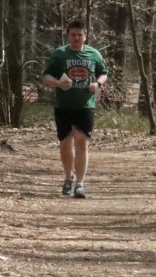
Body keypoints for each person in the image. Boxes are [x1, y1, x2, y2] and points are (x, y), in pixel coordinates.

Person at [41, 19, 109, 199]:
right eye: (73, 35)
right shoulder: (59, 55)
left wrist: (98, 84)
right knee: (65, 143)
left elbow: (103, 72)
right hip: (64, 105)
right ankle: (68, 177)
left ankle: (80, 184)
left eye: (80, 35)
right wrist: (58, 83)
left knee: (82, 143)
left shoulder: (93, 54)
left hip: (85, 105)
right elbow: (46, 76)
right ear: (68, 36)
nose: (76, 38)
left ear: (85, 36)